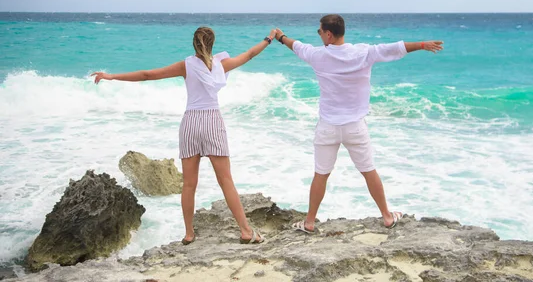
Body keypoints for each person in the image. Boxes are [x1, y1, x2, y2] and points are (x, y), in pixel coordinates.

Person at [92, 27, 278, 245]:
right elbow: (249, 54)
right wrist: (269, 38)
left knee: (189, 184)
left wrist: (111, 76)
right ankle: (246, 231)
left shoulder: (186, 65)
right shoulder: (221, 65)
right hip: (212, 122)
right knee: (226, 180)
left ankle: (189, 234)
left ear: (194, 44)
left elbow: (148, 75)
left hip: (190, 122)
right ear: (212, 44)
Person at [274, 15, 443, 233]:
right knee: (368, 170)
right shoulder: (363, 52)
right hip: (355, 127)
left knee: (321, 174)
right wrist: (421, 45)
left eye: (319, 32)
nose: (318, 35)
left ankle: (309, 222)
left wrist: (280, 37)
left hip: (328, 127)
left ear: (328, 34)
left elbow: (296, 46)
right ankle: (387, 216)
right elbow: (395, 48)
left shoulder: (318, 56)